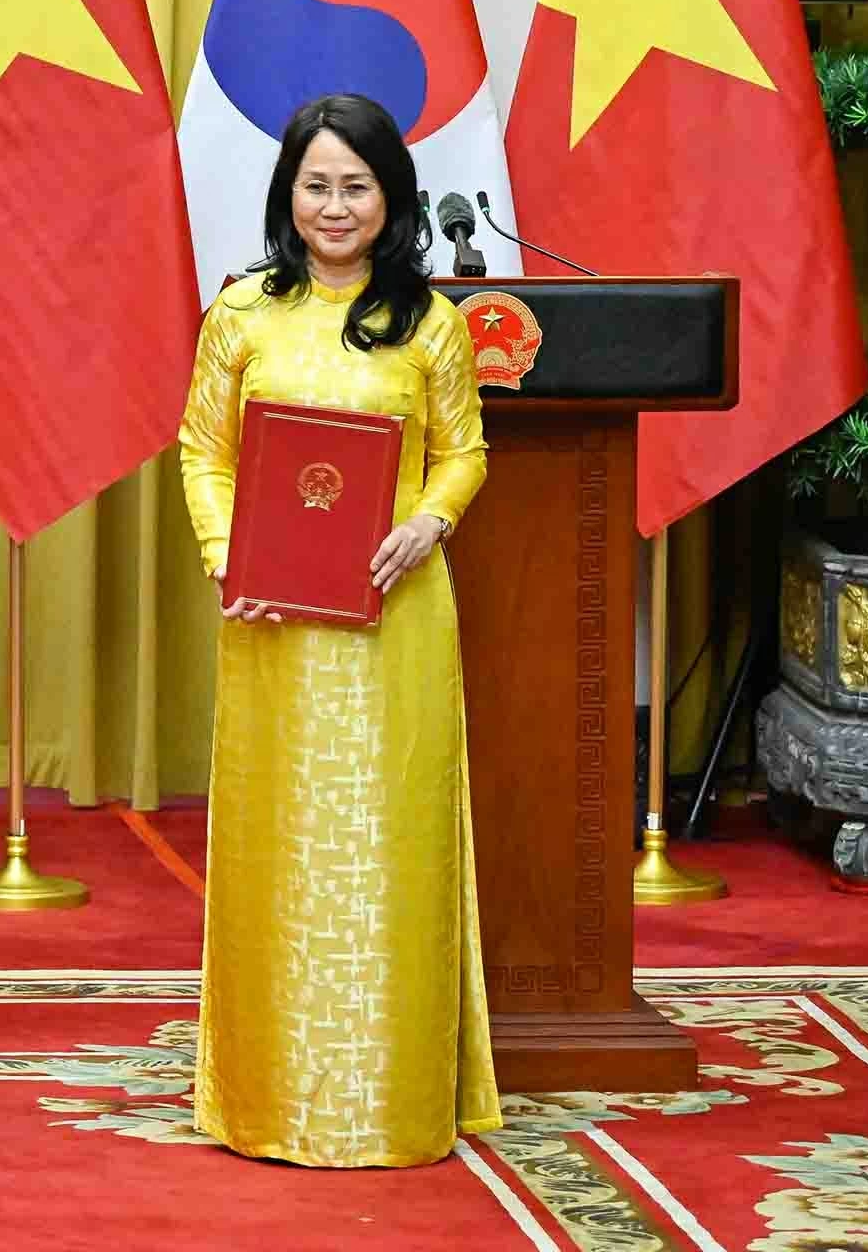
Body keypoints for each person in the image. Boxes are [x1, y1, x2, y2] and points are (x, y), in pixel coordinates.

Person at [176, 91, 499, 1167]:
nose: (333, 204)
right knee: (281, 846)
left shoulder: (433, 323)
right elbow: (201, 454)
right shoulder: (243, 313)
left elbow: (463, 451)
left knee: (390, 844)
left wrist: (429, 518)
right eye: (314, 184)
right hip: (268, 619)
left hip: (395, 618)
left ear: (391, 197)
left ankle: (394, 1094)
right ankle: (263, 1092)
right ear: (287, 194)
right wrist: (233, 560)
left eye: (354, 185)